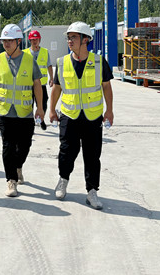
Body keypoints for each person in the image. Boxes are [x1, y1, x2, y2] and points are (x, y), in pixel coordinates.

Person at [49, 21, 115, 210]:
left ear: (86, 39)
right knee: (66, 152)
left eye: (74, 37)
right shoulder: (62, 62)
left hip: (92, 117)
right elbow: (57, 88)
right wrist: (51, 110)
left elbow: (106, 87)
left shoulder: (99, 62)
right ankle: (63, 180)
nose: (69, 41)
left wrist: (109, 110)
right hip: (69, 115)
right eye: (68, 38)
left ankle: (92, 191)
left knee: (92, 156)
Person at [0, 24, 44, 198]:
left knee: (25, 145)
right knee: (8, 146)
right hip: (4, 111)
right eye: (4, 41)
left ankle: (18, 166)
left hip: (25, 112)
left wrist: (40, 108)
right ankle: (11, 180)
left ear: (18, 41)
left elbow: (37, 84)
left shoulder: (29, 60)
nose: (6, 44)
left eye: (10, 41)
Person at [24, 30, 54, 130]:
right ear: (29, 41)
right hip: (29, 84)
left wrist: (51, 78)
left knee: (43, 104)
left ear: (39, 40)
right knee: (29, 105)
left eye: (36, 39)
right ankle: (31, 123)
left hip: (42, 85)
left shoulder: (45, 52)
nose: (34, 41)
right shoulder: (25, 53)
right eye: (32, 40)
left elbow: (49, 65)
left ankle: (41, 119)